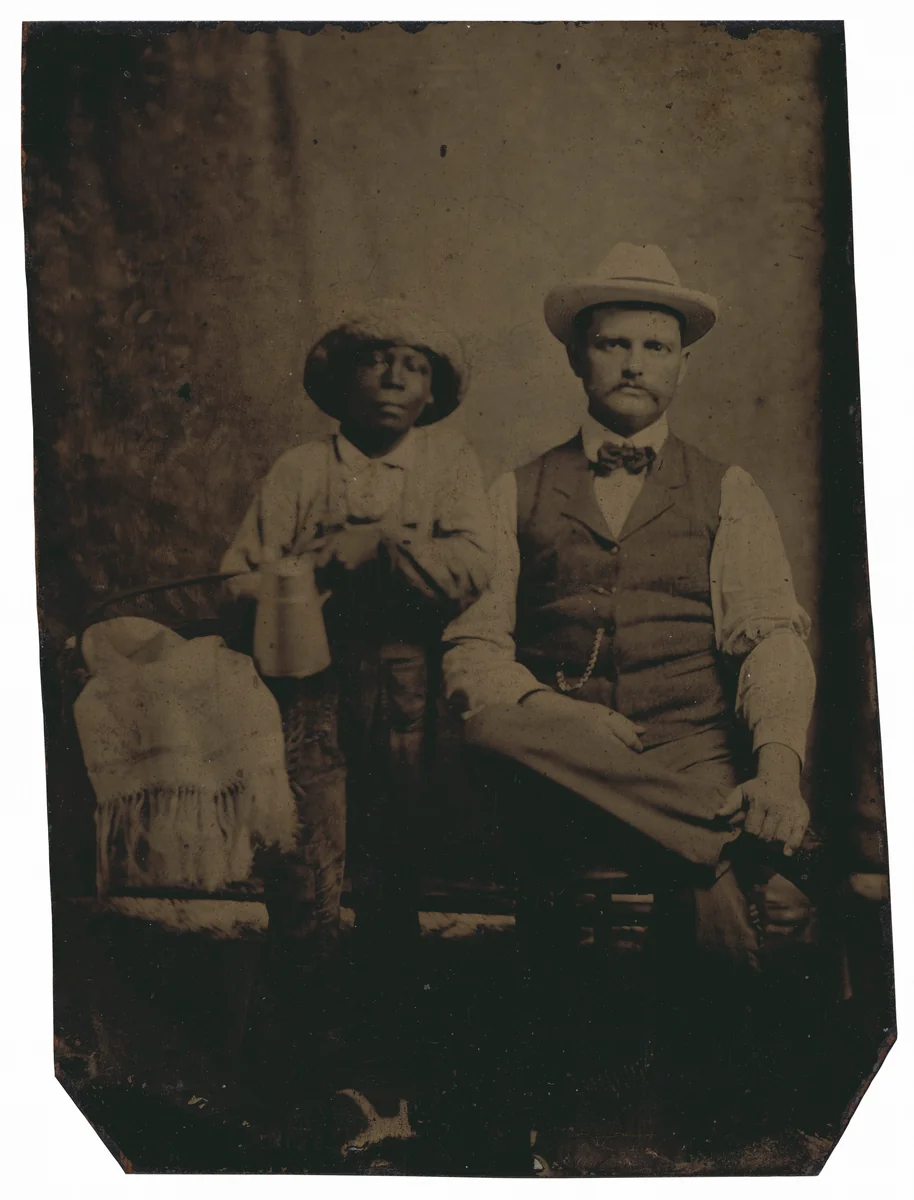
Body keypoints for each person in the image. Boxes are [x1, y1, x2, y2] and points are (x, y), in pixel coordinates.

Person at [442, 243, 820, 1159]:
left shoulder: (727, 489)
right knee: (490, 723)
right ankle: (725, 836)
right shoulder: (516, 488)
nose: (634, 364)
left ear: (683, 361)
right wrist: (566, 717)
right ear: (579, 359)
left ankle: (713, 1141)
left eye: (655, 346)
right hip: (562, 767)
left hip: (689, 751)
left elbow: (770, 637)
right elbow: (474, 650)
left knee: (714, 912)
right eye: (614, 345)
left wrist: (776, 765)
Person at [220, 302, 491, 1159]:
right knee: (309, 875)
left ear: (433, 392)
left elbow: (476, 567)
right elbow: (234, 578)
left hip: (408, 692)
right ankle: (295, 1076)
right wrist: (295, 576)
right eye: (374, 362)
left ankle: (386, 1076)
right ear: (338, 381)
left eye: (412, 366)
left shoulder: (449, 467)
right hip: (310, 694)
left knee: (392, 877)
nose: (391, 377)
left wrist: (384, 545)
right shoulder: (300, 469)